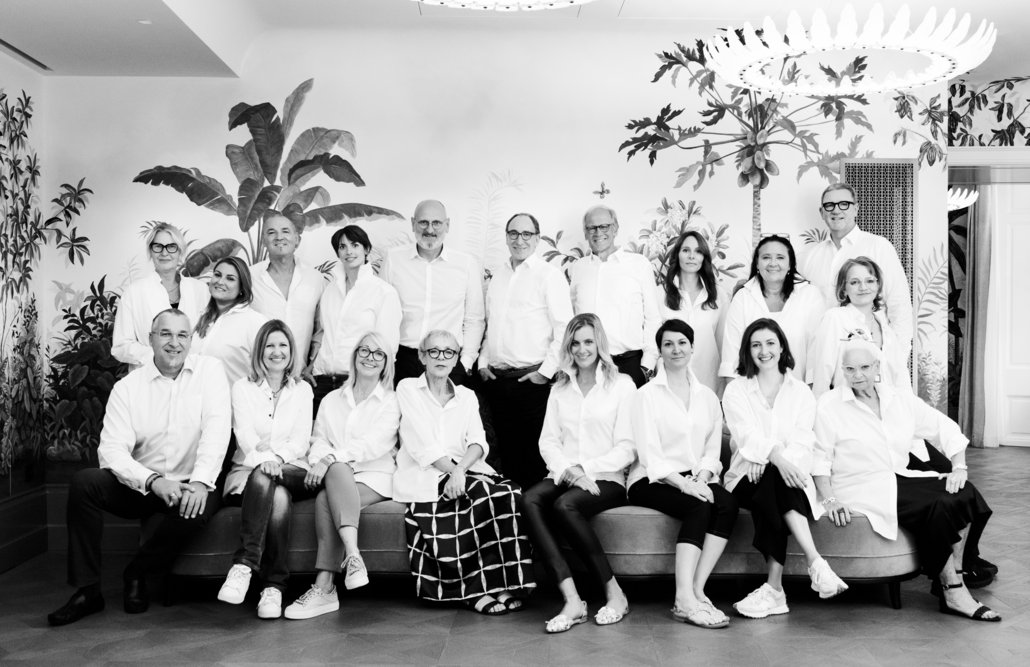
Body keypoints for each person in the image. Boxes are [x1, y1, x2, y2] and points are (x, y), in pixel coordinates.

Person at [47, 309, 230, 626]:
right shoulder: (128, 388)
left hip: (190, 482)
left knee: (196, 510)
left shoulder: (210, 372)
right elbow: (112, 450)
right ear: (151, 339)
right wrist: (154, 481)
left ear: (191, 340)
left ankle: (137, 573)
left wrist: (200, 482)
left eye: (182, 335)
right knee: (84, 483)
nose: (174, 343)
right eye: (165, 334)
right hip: (144, 486)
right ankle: (87, 591)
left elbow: (217, 431)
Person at [813, 339, 999, 622]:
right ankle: (953, 590)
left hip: (899, 477)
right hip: (861, 486)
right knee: (940, 503)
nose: (857, 375)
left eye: (865, 367)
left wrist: (959, 467)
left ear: (877, 367)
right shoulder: (829, 406)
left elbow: (943, 427)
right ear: (842, 370)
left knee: (964, 491)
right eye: (850, 369)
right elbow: (819, 459)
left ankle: (954, 578)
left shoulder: (898, 398)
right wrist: (830, 499)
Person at [393, 330, 535, 615]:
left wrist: (459, 471)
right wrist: (455, 473)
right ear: (422, 356)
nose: (441, 357)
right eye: (434, 351)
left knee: (510, 492)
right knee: (479, 493)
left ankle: (501, 584)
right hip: (426, 472)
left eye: (449, 352)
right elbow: (422, 444)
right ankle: (474, 592)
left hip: (464, 469)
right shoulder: (408, 388)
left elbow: (478, 441)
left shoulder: (467, 395)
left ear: (456, 358)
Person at [722, 319, 848, 619]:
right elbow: (745, 435)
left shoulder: (801, 392)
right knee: (774, 477)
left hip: (784, 475)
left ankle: (775, 588)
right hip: (744, 477)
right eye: (755, 345)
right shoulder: (736, 390)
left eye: (770, 343)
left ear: (781, 348)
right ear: (747, 351)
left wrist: (773, 460)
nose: (763, 351)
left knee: (773, 481)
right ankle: (815, 561)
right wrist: (776, 457)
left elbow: (804, 441)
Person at [522, 313, 636, 633]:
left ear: (599, 343)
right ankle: (573, 601)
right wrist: (569, 471)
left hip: (607, 478)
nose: (582, 349)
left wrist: (586, 469)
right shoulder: (560, 387)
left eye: (588, 341)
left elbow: (628, 447)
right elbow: (548, 441)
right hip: (564, 474)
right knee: (529, 499)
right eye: (575, 343)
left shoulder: (621, 385)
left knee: (565, 505)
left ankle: (615, 594)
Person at [627, 319, 738, 628]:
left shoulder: (707, 397)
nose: (676, 349)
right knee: (698, 505)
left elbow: (711, 451)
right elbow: (650, 455)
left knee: (727, 504)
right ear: (660, 351)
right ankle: (682, 599)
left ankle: (697, 590)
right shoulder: (646, 395)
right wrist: (686, 486)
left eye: (681, 343)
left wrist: (700, 479)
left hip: (693, 475)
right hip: (650, 478)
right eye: (668, 344)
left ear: (692, 348)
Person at [283, 331, 400, 620]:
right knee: (332, 483)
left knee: (329, 490)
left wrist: (331, 459)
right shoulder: (332, 399)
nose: (370, 357)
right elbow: (319, 439)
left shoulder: (391, 401)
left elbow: (374, 444)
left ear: (386, 362)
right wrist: (323, 459)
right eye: (365, 350)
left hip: (375, 476)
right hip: (337, 477)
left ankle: (325, 587)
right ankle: (353, 557)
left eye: (379, 353)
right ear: (355, 355)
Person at [216, 320, 315, 619]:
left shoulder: (303, 390)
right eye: (270, 345)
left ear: (291, 351)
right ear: (260, 350)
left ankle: (244, 565)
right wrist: (264, 460)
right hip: (248, 469)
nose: (276, 351)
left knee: (265, 473)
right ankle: (273, 588)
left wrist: (275, 458)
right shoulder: (242, 387)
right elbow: (244, 435)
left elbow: (300, 441)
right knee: (277, 495)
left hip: (293, 469)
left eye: (283, 345)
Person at [478, 212, 572, 488]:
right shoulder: (498, 276)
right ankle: (511, 511)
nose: (520, 240)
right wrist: (482, 362)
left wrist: (545, 373)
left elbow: (564, 328)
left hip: (532, 382)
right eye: (514, 233)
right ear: (507, 237)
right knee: (504, 457)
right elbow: (492, 324)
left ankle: (533, 514)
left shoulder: (549, 276)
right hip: (497, 381)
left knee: (533, 459)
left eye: (526, 234)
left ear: (537, 238)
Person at [379, 200, 485, 385]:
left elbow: (474, 319)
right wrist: (386, 359)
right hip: (402, 360)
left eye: (436, 223)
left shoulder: (466, 264)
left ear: (447, 225)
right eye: (423, 222)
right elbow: (382, 314)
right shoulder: (393, 259)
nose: (430, 229)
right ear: (413, 223)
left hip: (448, 360)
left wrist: (465, 362)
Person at [799, 183, 912, 350]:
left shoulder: (878, 246)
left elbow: (899, 304)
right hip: (823, 351)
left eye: (844, 204)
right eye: (829, 205)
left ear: (856, 209)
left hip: (869, 351)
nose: (836, 210)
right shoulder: (809, 257)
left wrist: (898, 355)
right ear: (822, 212)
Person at [309, 225, 401, 410]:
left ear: (366, 249)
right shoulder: (330, 290)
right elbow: (324, 333)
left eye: (355, 245)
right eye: (342, 247)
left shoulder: (383, 292)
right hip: (322, 380)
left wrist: (375, 385)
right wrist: (311, 366)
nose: (349, 251)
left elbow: (387, 347)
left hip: (358, 382)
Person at [569, 205, 660, 387]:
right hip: (587, 365)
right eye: (592, 228)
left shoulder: (639, 265)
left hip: (629, 364)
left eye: (604, 226)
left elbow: (653, 318)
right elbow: (571, 317)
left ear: (615, 228)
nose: (598, 232)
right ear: (585, 232)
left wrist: (647, 366)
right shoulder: (578, 268)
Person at [720, 235, 824, 382]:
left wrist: (809, 393)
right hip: (750, 392)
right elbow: (730, 359)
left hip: (799, 391)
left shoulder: (810, 295)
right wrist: (736, 395)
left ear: (790, 264)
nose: (773, 263)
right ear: (757, 263)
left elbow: (817, 352)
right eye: (766, 257)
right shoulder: (742, 297)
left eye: (780, 257)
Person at [111, 223, 209, 369]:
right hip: (149, 376)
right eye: (158, 246)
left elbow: (208, 338)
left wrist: (186, 358)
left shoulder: (200, 290)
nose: (164, 253)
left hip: (193, 375)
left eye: (171, 246)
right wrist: (161, 356)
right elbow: (120, 346)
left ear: (180, 251)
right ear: (150, 251)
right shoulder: (134, 292)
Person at [809, 257, 909, 397]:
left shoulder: (885, 327)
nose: (863, 287)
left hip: (886, 406)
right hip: (847, 406)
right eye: (854, 282)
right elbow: (822, 374)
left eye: (869, 281)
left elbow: (901, 378)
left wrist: (908, 407)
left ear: (878, 285)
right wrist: (820, 407)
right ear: (844, 289)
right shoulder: (835, 318)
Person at [250, 212, 325, 378]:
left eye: (285, 231)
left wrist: (312, 366)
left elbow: (321, 330)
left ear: (297, 239)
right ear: (263, 241)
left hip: (300, 378)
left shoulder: (315, 279)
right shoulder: (250, 277)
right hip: (258, 378)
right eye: (271, 232)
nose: (279, 237)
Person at [658, 230, 728, 393]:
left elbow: (724, 343)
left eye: (698, 251)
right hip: (670, 384)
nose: (691, 256)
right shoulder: (660, 294)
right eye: (686, 250)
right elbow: (656, 344)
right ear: (677, 255)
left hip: (709, 383)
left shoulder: (719, 295)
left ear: (704, 257)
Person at [191, 256, 269, 387]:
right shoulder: (200, 316)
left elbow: (269, 372)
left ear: (242, 287)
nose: (220, 281)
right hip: (195, 398)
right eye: (217, 275)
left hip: (234, 399)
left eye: (230, 278)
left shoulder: (255, 322)